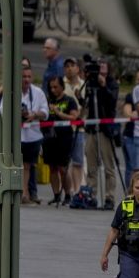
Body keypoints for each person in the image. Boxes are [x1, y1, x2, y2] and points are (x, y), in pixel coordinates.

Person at [81, 59, 121, 208]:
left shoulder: (112, 83)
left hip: (105, 129)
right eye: (99, 65)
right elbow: (84, 102)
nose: (101, 67)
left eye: (104, 64)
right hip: (92, 127)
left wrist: (103, 86)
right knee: (91, 164)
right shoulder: (91, 83)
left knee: (108, 165)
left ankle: (109, 197)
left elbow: (111, 102)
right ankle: (91, 194)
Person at [11, 60, 48, 203]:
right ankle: (18, 191)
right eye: (23, 77)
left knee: (27, 166)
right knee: (17, 165)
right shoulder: (12, 91)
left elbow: (46, 112)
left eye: (28, 77)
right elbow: (2, 110)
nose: (26, 79)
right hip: (17, 136)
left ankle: (25, 193)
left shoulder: (38, 92)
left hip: (33, 136)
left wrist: (34, 115)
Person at [43, 74, 80, 206]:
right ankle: (56, 194)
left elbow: (74, 117)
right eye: (51, 87)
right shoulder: (47, 100)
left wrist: (59, 113)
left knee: (63, 168)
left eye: (56, 87)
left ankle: (68, 194)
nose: (53, 90)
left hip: (64, 138)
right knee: (52, 168)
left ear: (62, 87)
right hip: (49, 138)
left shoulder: (69, 100)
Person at [62, 57, 88, 202]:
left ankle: (78, 190)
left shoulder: (84, 85)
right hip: (65, 128)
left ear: (78, 68)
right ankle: (69, 190)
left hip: (79, 128)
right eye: (67, 66)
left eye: (72, 65)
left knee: (78, 161)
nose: (69, 68)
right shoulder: (60, 84)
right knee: (65, 162)